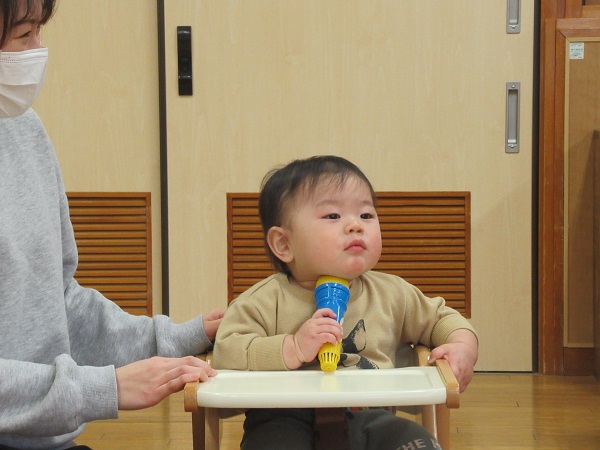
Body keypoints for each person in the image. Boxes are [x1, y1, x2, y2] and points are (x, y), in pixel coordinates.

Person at [0, 1, 224, 449]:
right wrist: (107, 388)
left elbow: (59, 300)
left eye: (39, 32)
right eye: (24, 36)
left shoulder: (22, 128)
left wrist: (181, 336)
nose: (39, 51)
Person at [213, 155, 479, 450]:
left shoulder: (391, 293)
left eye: (366, 215)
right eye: (332, 216)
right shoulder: (262, 301)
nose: (355, 226)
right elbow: (226, 354)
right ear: (284, 244)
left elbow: (442, 319)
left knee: (418, 442)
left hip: (371, 415)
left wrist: (462, 346)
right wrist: (291, 348)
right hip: (281, 418)